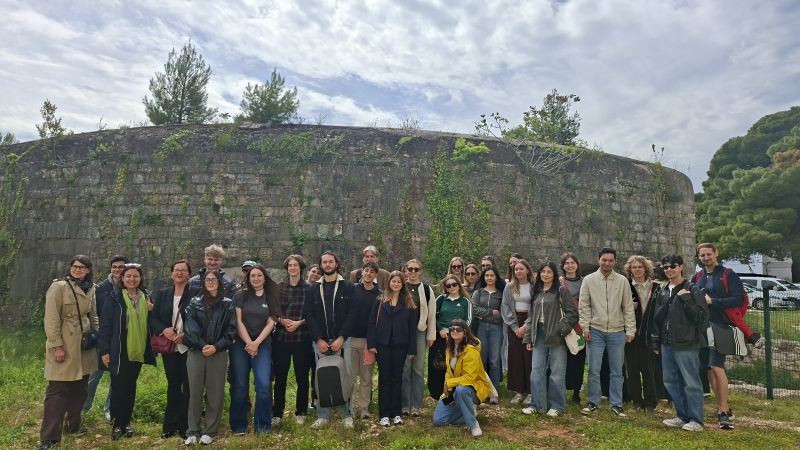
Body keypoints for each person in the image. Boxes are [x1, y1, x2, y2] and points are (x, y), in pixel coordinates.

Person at [38, 256, 99, 450]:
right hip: (65, 342)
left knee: (80, 389)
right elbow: (51, 319)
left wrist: (96, 338)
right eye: (74, 266)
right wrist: (57, 346)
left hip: (84, 344)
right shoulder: (59, 287)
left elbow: (93, 315)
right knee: (57, 391)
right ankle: (49, 438)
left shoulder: (91, 288)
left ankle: (73, 426)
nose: (77, 270)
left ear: (88, 270)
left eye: (82, 267)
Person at [649, 255, 709, 432]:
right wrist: (655, 340)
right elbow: (657, 317)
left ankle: (696, 420)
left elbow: (702, 317)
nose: (669, 269)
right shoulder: (662, 290)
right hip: (666, 343)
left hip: (687, 343)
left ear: (681, 267)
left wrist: (686, 299)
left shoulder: (693, 289)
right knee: (671, 381)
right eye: (665, 266)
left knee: (691, 382)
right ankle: (682, 416)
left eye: (673, 266)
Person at [99, 263, 156, 440]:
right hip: (119, 349)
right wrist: (104, 351)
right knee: (118, 387)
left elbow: (150, 324)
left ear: (140, 278)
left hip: (138, 349)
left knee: (130, 386)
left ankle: (126, 422)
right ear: (122, 279)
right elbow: (106, 326)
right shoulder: (114, 297)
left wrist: (152, 312)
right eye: (128, 276)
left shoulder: (146, 298)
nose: (132, 279)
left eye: (135, 276)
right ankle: (116, 425)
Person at [579, 247, 635, 417]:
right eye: (604, 260)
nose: (607, 263)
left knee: (617, 370)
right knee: (594, 369)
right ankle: (593, 401)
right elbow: (584, 306)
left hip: (617, 331)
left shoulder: (622, 281)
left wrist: (630, 329)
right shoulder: (588, 280)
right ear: (599, 260)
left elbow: (628, 307)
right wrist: (585, 327)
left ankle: (616, 404)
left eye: (611, 260)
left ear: (615, 262)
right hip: (595, 330)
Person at [695, 242, 745, 430]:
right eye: (702, 255)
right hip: (702, 327)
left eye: (709, 254)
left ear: (716, 253)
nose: (706, 258)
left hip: (722, 326)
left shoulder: (728, 274)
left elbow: (738, 298)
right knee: (708, 368)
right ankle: (722, 406)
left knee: (717, 367)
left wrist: (712, 301)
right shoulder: (699, 276)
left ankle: (723, 412)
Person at [183, 269, 236, 445]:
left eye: (214, 279)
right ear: (203, 282)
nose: (211, 282)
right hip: (196, 352)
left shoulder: (228, 303)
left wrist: (216, 346)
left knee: (215, 393)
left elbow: (231, 330)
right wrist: (202, 345)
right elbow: (190, 328)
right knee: (194, 392)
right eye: (208, 279)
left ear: (220, 283)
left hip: (218, 353)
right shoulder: (194, 302)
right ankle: (192, 430)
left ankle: (210, 430)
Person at [304, 251, 356, 429]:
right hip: (320, 341)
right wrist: (318, 339)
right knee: (321, 378)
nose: (327, 265)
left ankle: (346, 415)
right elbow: (309, 315)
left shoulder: (348, 287)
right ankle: (323, 415)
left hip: (343, 340)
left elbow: (352, 315)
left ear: (336, 263)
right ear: (321, 265)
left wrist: (342, 337)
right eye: (324, 262)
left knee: (345, 376)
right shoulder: (312, 290)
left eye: (330, 262)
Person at [522, 262, 578, 417]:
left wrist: (561, 329)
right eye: (543, 272)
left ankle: (557, 406)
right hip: (538, 334)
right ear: (539, 274)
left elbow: (573, 313)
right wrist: (529, 338)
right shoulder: (536, 291)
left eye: (549, 272)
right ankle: (537, 404)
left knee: (556, 372)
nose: (545, 274)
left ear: (554, 274)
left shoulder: (561, 291)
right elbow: (531, 316)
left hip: (557, 336)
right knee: (537, 371)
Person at [230, 264, 280, 435]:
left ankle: (263, 425)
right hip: (240, 344)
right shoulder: (240, 295)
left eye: (259, 275)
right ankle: (238, 425)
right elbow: (238, 321)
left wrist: (256, 343)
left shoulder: (271, 296)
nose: (256, 278)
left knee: (264, 385)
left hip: (263, 344)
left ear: (264, 278)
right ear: (248, 278)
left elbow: (271, 322)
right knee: (240, 386)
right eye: (253, 276)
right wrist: (249, 343)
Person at [149, 259, 196, 439]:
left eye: (183, 271)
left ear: (189, 275)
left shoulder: (195, 294)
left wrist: (186, 335)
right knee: (173, 385)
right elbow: (153, 319)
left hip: (188, 346)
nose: (179, 273)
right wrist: (164, 329)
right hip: (170, 347)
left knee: (189, 387)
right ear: (171, 274)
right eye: (176, 270)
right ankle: (169, 425)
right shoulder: (162, 294)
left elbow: (200, 320)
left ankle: (186, 426)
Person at [367, 271, 418, 426]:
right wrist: (372, 344)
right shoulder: (380, 300)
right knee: (384, 379)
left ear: (403, 285)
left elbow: (412, 328)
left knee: (397, 379)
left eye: (399, 282)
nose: (396, 284)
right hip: (383, 345)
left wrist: (412, 349)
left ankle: (396, 413)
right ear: (389, 282)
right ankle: (384, 414)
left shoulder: (409, 302)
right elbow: (371, 324)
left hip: (400, 346)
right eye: (393, 281)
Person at [83, 255, 127, 420]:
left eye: (121, 267)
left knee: (116, 378)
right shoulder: (101, 288)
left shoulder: (130, 287)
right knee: (94, 375)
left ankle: (109, 408)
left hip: (122, 339)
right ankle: (84, 408)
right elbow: (93, 313)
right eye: (114, 267)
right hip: (103, 337)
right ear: (111, 269)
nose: (117, 270)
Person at [432, 319, 493, 438]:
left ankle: (473, 424)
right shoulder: (449, 348)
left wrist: (449, 383)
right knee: (438, 420)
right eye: (451, 329)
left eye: (458, 329)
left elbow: (470, 378)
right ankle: (469, 412)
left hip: (474, 387)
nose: (454, 331)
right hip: (455, 387)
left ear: (465, 332)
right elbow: (449, 372)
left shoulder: (471, 350)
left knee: (461, 390)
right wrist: (447, 387)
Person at [273, 255, 313, 424]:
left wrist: (299, 323)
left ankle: (301, 411)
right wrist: (282, 320)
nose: (292, 268)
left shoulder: (309, 288)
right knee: (280, 377)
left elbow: (312, 313)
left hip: (301, 337)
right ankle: (277, 413)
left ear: (301, 268)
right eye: (289, 265)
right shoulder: (280, 287)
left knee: (302, 376)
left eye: (295, 265)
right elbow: (274, 309)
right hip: (282, 338)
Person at [428, 274, 473, 400]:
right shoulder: (441, 299)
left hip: (458, 338)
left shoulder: (465, 302)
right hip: (441, 336)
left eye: (454, 284)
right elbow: (432, 316)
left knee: (454, 365)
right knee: (438, 364)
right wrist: (441, 329)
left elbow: (468, 320)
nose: (452, 287)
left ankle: (454, 393)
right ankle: (437, 393)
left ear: (459, 285)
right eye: (448, 285)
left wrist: (456, 332)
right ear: (445, 287)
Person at [402, 259, 437, 416]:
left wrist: (431, 335)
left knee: (418, 369)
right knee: (405, 369)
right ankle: (404, 404)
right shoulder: (401, 287)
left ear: (420, 271)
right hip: (403, 334)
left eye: (416, 269)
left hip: (420, 332)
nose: (413, 272)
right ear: (406, 270)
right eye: (410, 269)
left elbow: (431, 314)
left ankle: (416, 405)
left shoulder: (427, 289)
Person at [623, 255, 657, 411]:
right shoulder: (626, 286)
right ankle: (636, 401)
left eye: (640, 267)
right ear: (630, 270)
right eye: (634, 267)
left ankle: (650, 402)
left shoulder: (656, 287)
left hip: (649, 333)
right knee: (632, 369)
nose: (637, 270)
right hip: (631, 332)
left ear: (646, 268)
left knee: (649, 370)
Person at [349, 262, 382, 419]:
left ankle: (364, 408)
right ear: (362, 272)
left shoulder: (379, 295)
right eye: (366, 270)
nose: (368, 273)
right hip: (351, 339)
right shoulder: (352, 289)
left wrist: (373, 343)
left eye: (372, 272)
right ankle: (349, 407)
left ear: (376, 275)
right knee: (350, 377)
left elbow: (378, 320)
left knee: (366, 378)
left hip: (369, 342)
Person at [501, 259, 535, 405]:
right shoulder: (509, 287)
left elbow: (537, 308)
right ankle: (518, 392)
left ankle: (530, 392)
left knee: (529, 357)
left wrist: (526, 326)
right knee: (515, 357)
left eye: (521, 269)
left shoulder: (534, 286)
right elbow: (505, 307)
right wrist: (515, 327)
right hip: (513, 323)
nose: (518, 272)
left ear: (527, 270)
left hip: (530, 323)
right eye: (516, 269)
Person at [470, 266, 505, 403]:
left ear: (496, 277)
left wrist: (484, 314)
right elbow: (474, 309)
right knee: (482, 360)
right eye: (487, 276)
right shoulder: (478, 293)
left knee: (495, 361)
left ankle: (493, 393)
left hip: (496, 329)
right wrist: (491, 312)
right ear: (483, 278)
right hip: (481, 328)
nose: (489, 278)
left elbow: (502, 314)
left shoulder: (501, 294)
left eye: (492, 275)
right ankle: (482, 390)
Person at [560, 253, 585, 404]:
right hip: (566, 322)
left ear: (577, 264)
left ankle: (576, 391)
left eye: (572, 262)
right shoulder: (560, 283)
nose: (570, 265)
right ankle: (562, 388)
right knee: (564, 358)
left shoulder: (585, 281)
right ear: (563, 266)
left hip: (580, 323)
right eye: (567, 263)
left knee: (579, 357)